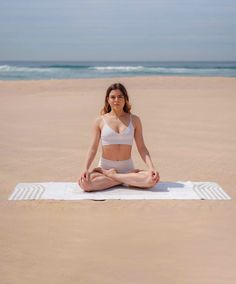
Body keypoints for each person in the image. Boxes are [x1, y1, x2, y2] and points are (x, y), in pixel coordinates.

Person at [78, 83, 160, 192]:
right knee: (85, 184)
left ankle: (114, 177)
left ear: (125, 99)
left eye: (120, 96)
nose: (116, 100)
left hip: (126, 168)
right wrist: (85, 168)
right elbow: (93, 148)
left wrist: (151, 167)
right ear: (108, 99)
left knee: (152, 179)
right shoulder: (99, 121)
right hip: (105, 167)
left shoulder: (135, 120)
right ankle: (127, 179)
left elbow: (142, 147)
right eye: (113, 97)